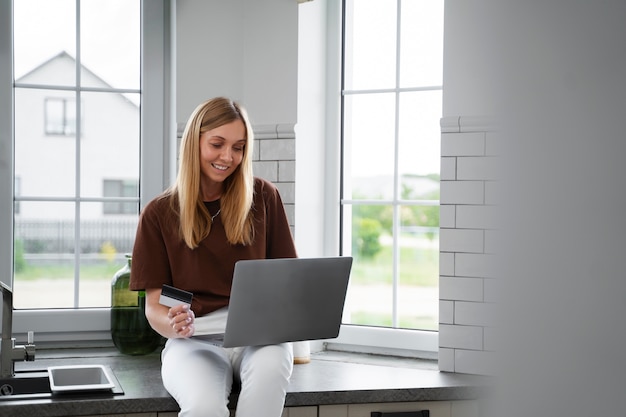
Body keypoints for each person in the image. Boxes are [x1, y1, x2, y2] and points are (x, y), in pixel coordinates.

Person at [130, 97, 297, 417]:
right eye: (217, 144)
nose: (228, 157)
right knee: (203, 408)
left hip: (259, 339)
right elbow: (154, 306)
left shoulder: (264, 198)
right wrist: (173, 324)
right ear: (194, 143)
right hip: (194, 341)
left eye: (239, 147)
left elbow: (287, 281)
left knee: (270, 375)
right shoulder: (159, 213)